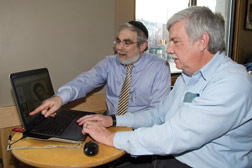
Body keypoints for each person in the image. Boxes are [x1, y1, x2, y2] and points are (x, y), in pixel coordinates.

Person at [78, 6, 252, 168]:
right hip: (169, 156)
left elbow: (175, 136)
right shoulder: (189, 75)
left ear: (202, 41)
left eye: (176, 42)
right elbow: (158, 115)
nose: (168, 49)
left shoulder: (232, 83)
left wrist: (110, 137)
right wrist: (114, 120)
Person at [30, 21, 171, 117]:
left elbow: (156, 114)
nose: (119, 48)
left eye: (126, 43)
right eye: (118, 41)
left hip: (140, 132)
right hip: (109, 124)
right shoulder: (110, 63)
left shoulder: (160, 68)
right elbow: (85, 81)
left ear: (143, 46)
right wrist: (60, 98)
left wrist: (118, 122)